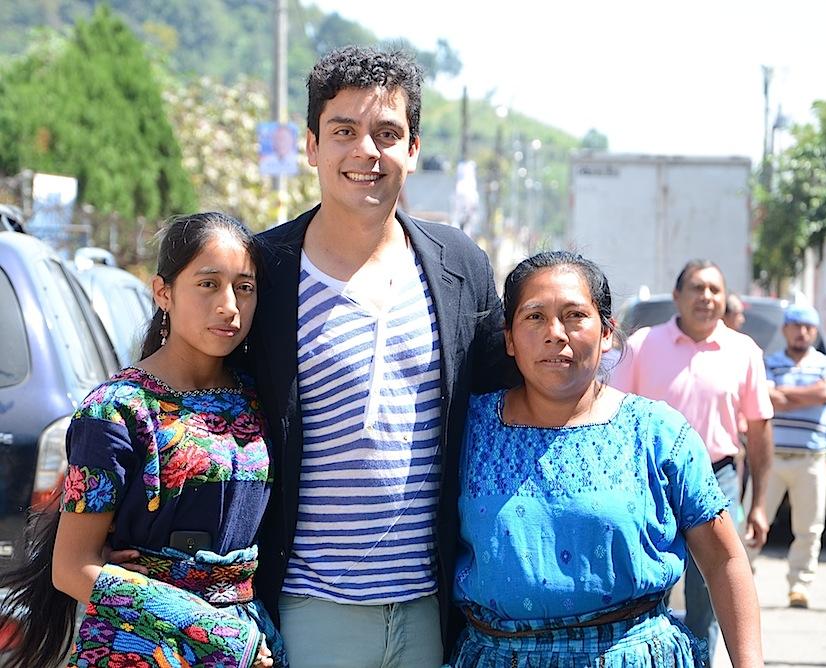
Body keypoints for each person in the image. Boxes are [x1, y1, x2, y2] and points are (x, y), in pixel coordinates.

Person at [245, 46, 510, 667]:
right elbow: (199, 391)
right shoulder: (267, 272)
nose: (367, 151)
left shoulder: (457, 266)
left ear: (412, 150)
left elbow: (508, 400)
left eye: (387, 134)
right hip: (309, 610)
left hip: (430, 610)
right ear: (312, 145)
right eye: (344, 131)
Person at [451, 251, 763, 667]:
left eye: (575, 315)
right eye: (534, 317)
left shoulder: (657, 433)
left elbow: (724, 559)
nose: (555, 333)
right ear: (509, 338)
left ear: (607, 333)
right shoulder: (467, 430)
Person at [0, 212, 285, 668]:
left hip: (249, 645)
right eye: (208, 283)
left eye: (244, 287)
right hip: (140, 647)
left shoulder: (261, 396)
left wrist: (241, 637)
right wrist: (211, 630)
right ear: (163, 292)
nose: (229, 304)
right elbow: (72, 567)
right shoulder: (116, 411)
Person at [610, 259, 773, 664]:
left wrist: (759, 504)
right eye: (697, 289)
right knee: (647, 587)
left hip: (718, 478)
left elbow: (758, 430)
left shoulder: (743, 350)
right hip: (646, 480)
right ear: (678, 297)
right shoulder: (644, 344)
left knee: (710, 590)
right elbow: (611, 413)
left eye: (715, 290)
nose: (706, 297)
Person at [751, 304, 826, 609]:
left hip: (811, 457)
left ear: (815, 331)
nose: (802, 332)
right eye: (796, 325)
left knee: (810, 527)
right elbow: (767, 399)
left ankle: (800, 585)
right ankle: (741, 575)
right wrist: (807, 395)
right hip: (772, 457)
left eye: (808, 327)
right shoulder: (770, 362)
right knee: (754, 522)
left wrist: (785, 395)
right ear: (785, 329)